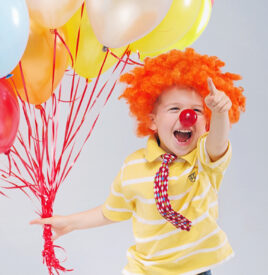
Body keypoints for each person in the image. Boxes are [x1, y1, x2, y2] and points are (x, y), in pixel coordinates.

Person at [30, 48, 245, 275]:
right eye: (175, 108)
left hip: (196, 271)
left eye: (197, 111)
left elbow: (218, 142)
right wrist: (71, 222)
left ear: (206, 122)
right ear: (152, 121)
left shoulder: (203, 159)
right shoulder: (133, 166)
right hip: (144, 270)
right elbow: (110, 211)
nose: (186, 116)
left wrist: (220, 112)